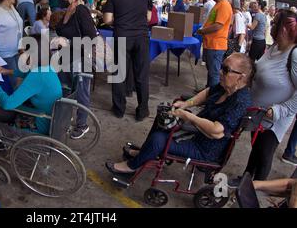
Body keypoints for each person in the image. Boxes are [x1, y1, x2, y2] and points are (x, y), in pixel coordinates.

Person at [106, 53, 253, 175]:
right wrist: (186, 104)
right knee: (164, 116)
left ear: (241, 77)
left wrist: (188, 116)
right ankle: (145, 153)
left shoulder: (240, 100)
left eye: (226, 69)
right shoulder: (224, 87)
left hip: (205, 148)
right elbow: (208, 92)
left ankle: (132, 166)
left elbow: (216, 131)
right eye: (222, 67)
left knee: (159, 139)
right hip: (197, 132)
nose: (220, 72)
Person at [0, 34, 63, 164]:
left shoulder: (37, 76)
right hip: (51, 117)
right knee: (6, 108)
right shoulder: (45, 67)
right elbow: (26, 72)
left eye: (23, 51)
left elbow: (8, 104)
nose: (20, 55)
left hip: (40, 122)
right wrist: (5, 71)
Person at [234, 10, 297, 182]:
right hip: (258, 112)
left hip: (275, 118)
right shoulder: (275, 47)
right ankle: (245, 179)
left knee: (264, 153)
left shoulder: (294, 54)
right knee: (255, 147)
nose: (271, 26)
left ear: (284, 29)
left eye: (275, 23)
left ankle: (254, 189)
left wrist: (279, 110)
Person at [103, 0, 152, 121]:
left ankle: (119, 109)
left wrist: (121, 20)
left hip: (122, 36)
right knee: (142, 75)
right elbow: (148, 18)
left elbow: (107, 20)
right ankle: (142, 111)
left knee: (119, 74)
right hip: (142, 37)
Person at [56, 0, 97, 139]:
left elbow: (91, 37)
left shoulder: (81, 11)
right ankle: (65, 119)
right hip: (66, 58)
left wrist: (69, 42)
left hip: (80, 58)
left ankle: (82, 124)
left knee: (81, 93)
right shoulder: (68, 10)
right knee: (65, 90)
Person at [197, 0, 232, 87]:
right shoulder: (218, 5)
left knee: (214, 73)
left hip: (216, 46)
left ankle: (212, 97)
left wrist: (203, 31)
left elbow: (218, 26)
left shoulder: (224, 5)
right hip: (211, 44)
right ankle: (208, 93)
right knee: (211, 72)